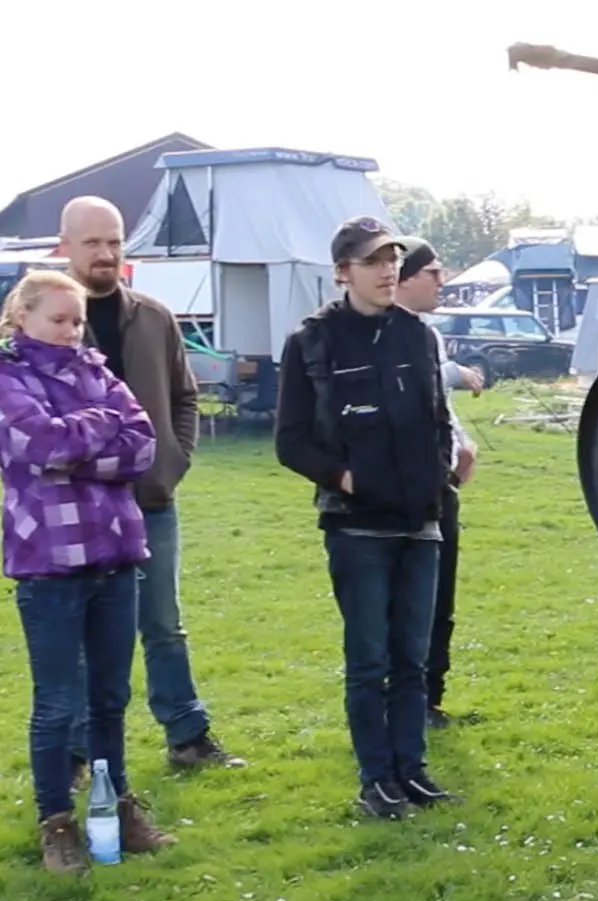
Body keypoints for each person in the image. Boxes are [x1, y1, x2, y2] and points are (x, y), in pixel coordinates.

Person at [0, 270, 177, 873]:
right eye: (57, 320)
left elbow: (144, 445)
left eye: (76, 321)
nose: (70, 332)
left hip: (116, 558)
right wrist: (100, 429)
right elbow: (40, 445)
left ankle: (117, 805)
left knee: (110, 698)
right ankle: (56, 822)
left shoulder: (95, 369)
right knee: (57, 703)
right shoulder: (0, 376)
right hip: (50, 566)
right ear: (23, 318)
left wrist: (80, 442)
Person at [273, 216, 459, 820]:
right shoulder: (312, 342)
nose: (388, 270)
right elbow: (292, 441)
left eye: (393, 260)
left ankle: (412, 770)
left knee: (413, 659)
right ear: (343, 271)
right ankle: (375, 779)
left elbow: (437, 418)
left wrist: (440, 473)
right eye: (374, 260)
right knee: (370, 660)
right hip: (356, 529)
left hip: (421, 523)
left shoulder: (420, 336)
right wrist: (346, 478)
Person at [56, 196, 245, 774]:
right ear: (65, 248)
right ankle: (78, 751)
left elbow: (185, 396)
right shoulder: (47, 322)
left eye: (114, 241)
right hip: (75, 509)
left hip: (149, 503)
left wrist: (173, 461)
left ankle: (187, 735)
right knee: (84, 635)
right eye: (93, 243)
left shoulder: (154, 317)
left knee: (163, 622)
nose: (106, 254)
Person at [390, 238, 484, 729]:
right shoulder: (383, 336)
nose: (442, 281)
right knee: (403, 601)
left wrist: (462, 446)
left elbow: (440, 407)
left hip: (440, 486)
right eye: (433, 272)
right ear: (404, 277)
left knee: (441, 596)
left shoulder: (429, 334)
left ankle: (430, 697)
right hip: (396, 490)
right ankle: (400, 698)